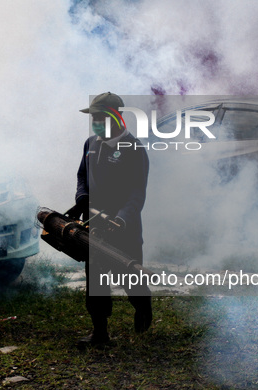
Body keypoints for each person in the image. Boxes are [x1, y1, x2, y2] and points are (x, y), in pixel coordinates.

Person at [66, 92, 152, 349]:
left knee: (129, 278)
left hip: (123, 229)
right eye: (93, 117)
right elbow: (82, 175)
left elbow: (137, 193)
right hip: (93, 227)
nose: (95, 122)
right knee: (96, 278)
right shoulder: (90, 143)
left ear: (117, 116)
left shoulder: (135, 149)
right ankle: (100, 333)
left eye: (100, 117)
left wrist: (121, 219)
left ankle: (143, 306)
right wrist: (81, 196)